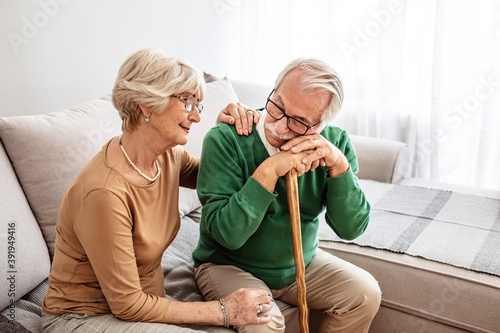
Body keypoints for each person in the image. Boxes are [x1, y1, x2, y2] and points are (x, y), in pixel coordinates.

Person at [41, 48, 273, 332]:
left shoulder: (167, 157)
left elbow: (221, 177)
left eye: (197, 105)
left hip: (146, 301)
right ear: (146, 104)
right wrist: (225, 310)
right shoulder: (104, 193)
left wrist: (233, 135)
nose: (197, 117)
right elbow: (128, 304)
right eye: (188, 102)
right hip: (85, 317)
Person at [193, 58, 382, 332]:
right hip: (228, 265)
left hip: (300, 265)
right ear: (274, 89)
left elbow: (351, 228)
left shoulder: (335, 144)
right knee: (264, 323)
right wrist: (268, 171)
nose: (279, 127)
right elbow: (227, 235)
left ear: (320, 125)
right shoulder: (226, 139)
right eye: (278, 106)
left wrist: (340, 167)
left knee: (365, 293)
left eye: (299, 122)